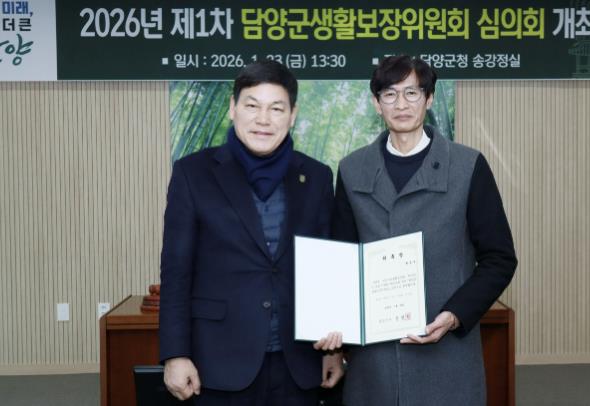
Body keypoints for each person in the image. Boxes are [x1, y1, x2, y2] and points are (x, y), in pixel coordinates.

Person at [319, 55, 518, 405]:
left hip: (445, 353)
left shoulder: (467, 166)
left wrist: (454, 315)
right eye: (390, 94)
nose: (401, 104)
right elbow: (340, 263)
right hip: (374, 359)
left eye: (412, 93)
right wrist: (334, 350)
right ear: (376, 103)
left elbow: (499, 258)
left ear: (428, 98)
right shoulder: (352, 169)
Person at [159, 60, 343, 406]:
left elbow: (326, 267)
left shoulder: (316, 176)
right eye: (252, 106)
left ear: (293, 114)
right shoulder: (193, 173)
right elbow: (176, 270)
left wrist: (333, 350)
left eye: (276, 108)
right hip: (219, 361)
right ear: (233, 108)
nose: (263, 119)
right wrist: (175, 354)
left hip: (298, 362)